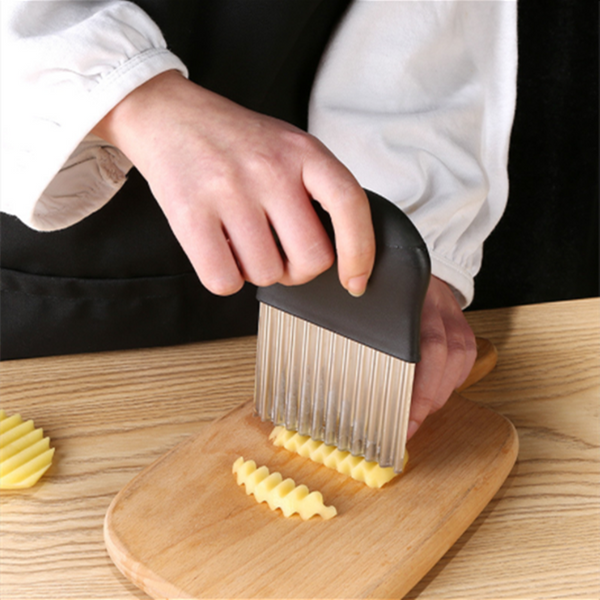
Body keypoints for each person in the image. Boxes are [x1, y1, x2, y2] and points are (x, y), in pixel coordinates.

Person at [0, 0, 517, 440]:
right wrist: (130, 95)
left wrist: (402, 241)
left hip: (288, 286)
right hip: (45, 303)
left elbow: (413, 26)